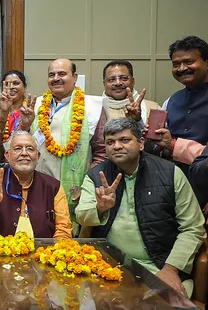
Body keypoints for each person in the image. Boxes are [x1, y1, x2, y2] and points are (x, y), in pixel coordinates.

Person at [76, 118, 206, 297]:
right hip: (108, 266)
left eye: (124, 140)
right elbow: (81, 216)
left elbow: (193, 227)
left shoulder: (170, 173)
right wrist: (100, 208)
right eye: (110, 142)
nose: (117, 146)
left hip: (159, 267)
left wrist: (171, 269)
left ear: (141, 143)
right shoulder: (96, 176)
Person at [30, 58, 107, 225]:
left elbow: (102, 153)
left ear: (75, 77)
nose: (56, 78)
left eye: (62, 74)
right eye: (52, 74)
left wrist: (89, 186)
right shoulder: (36, 105)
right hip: (39, 184)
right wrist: (24, 123)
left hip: (76, 187)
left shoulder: (91, 107)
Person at [0, 131, 72, 238]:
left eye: (30, 149)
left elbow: (63, 230)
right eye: (18, 148)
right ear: (7, 155)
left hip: (41, 252)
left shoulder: (53, 186)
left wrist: (53, 252)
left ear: (38, 156)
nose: (24, 153)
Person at [154, 36, 208, 204]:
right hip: (177, 188)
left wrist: (174, 145)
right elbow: (158, 144)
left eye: (189, 62)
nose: (182, 68)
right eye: (176, 64)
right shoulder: (171, 101)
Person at [0, 70, 36, 161]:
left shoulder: (30, 109)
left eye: (16, 83)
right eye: (7, 84)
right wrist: (4, 111)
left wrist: (25, 125)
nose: (11, 87)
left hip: (25, 158)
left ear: (25, 87)